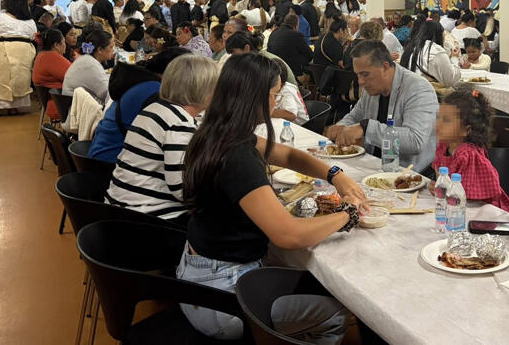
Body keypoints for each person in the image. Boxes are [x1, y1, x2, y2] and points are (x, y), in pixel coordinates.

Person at [179, 53, 363, 341]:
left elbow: (287, 154)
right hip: (222, 299)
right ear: (258, 97)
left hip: (198, 277)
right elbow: (287, 235)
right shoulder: (237, 157)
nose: (276, 103)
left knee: (305, 275)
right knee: (339, 310)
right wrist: (346, 214)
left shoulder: (215, 134)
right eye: (275, 95)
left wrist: (335, 175)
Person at [105, 55, 218, 224]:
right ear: (203, 90)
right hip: (145, 219)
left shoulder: (156, 109)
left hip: (119, 207)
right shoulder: (179, 123)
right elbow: (183, 191)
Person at [327, 40, 439, 175]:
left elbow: (415, 141)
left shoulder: (418, 88)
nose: (360, 82)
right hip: (375, 165)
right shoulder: (373, 88)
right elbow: (354, 117)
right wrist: (342, 127)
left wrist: (366, 128)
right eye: (358, 75)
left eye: (365, 74)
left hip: (410, 174)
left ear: (385, 67)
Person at [89, 48, 192, 162]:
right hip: (112, 163)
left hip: (102, 153)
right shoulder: (153, 92)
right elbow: (170, 135)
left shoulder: (141, 82)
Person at [432, 88, 509, 209]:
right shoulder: (444, 146)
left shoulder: (468, 156)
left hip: (483, 213)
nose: (438, 124)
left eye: (446, 120)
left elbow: (469, 201)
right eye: (439, 117)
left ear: (466, 130)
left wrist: (444, 191)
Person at [0, 0, 37, 116]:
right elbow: (33, 36)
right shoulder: (30, 21)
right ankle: (15, 108)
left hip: (3, 47)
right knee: (19, 79)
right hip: (24, 50)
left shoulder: (2, 16)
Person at [222, 30, 297, 86]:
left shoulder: (262, 64)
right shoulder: (257, 59)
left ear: (246, 48)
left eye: (233, 52)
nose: (232, 57)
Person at [400, 20, 461, 88]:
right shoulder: (436, 50)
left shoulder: (411, 47)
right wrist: (454, 58)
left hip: (411, 91)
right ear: (439, 35)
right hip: (431, 95)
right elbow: (450, 80)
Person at [62, 28, 114, 101]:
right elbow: (107, 93)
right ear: (100, 50)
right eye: (111, 47)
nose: (113, 50)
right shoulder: (90, 65)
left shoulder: (86, 60)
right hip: (80, 108)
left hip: (77, 104)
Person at [32, 29, 71, 121]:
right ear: (56, 45)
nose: (65, 45)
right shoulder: (51, 57)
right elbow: (74, 75)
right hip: (61, 104)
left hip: (55, 101)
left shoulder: (42, 55)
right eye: (64, 42)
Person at [270, 58, 310, 125]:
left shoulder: (287, 90)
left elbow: (291, 115)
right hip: (283, 124)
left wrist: (266, 112)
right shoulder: (274, 89)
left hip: (300, 127)